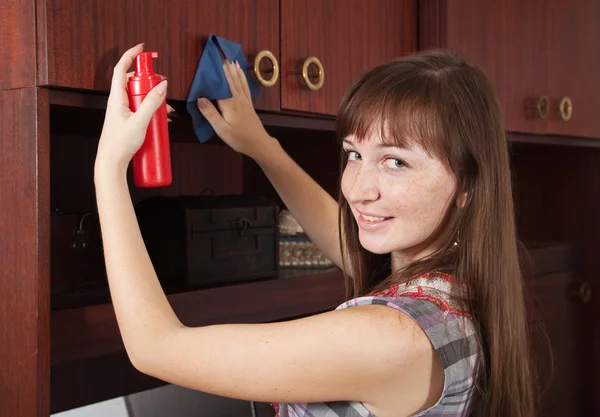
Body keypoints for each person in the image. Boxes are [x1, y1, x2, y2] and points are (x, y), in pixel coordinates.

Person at [94, 43, 535, 417]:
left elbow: (154, 347)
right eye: (354, 154)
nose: (358, 191)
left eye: (396, 162)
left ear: (467, 185)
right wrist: (261, 146)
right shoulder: (454, 290)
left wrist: (109, 169)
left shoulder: (391, 338)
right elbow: (344, 235)